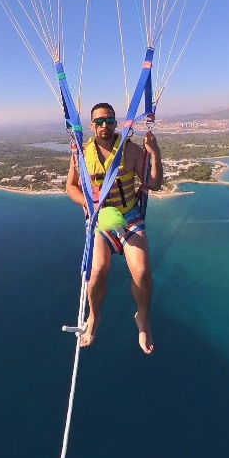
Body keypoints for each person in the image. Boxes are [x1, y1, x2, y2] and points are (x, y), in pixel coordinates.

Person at [65, 103, 162, 354]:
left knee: (142, 273)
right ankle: (94, 317)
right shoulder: (81, 155)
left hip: (129, 216)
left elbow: (154, 183)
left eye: (108, 120)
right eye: (98, 121)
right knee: (98, 271)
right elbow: (71, 188)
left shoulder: (130, 151)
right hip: (100, 221)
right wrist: (89, 204)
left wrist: (155, 154)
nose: (104, 125)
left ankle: (143, 318)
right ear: (91, 125)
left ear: (116, 123)